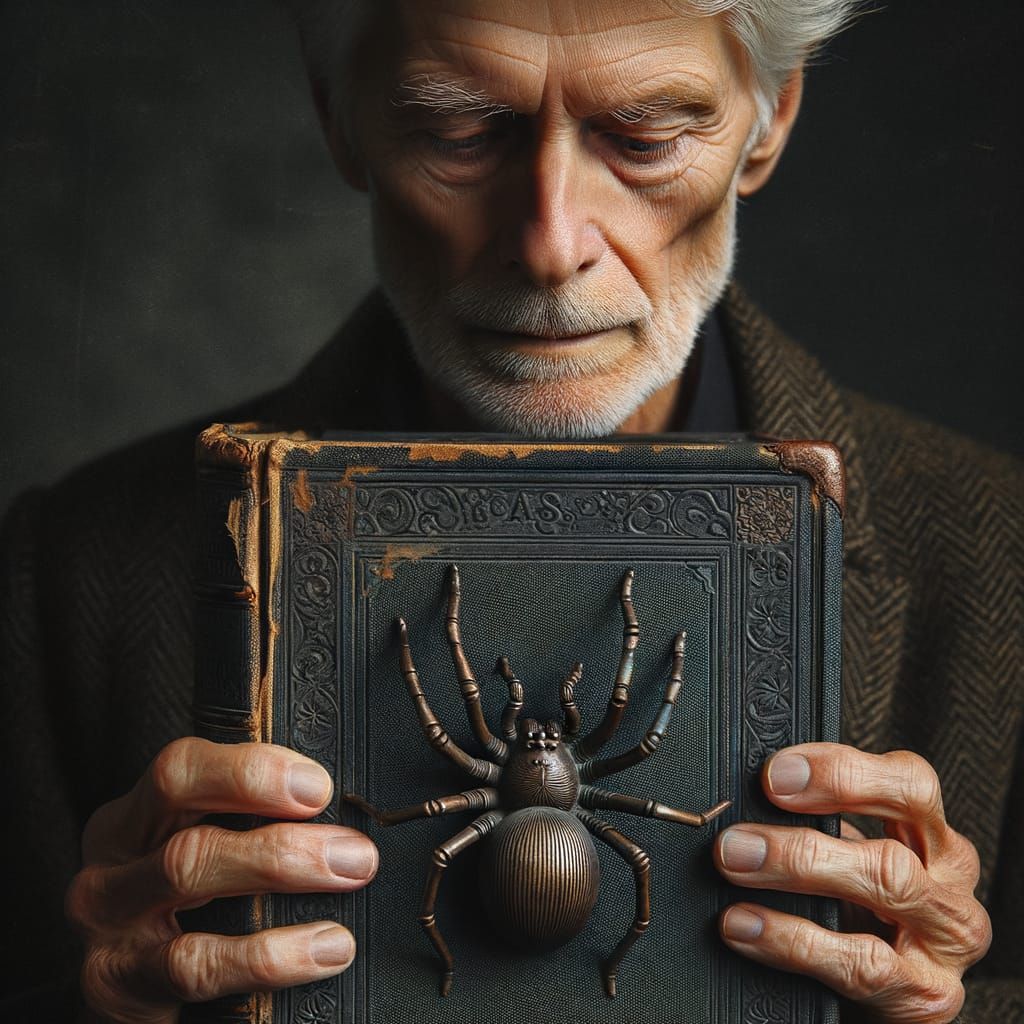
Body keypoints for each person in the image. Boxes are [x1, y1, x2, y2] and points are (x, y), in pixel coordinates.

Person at [0, 2, 1019, 1021]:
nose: (548, 242)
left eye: (647, 137)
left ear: (769, 117)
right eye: (456, 131)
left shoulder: (999, 553)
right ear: (339, 120)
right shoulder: (68, 575)